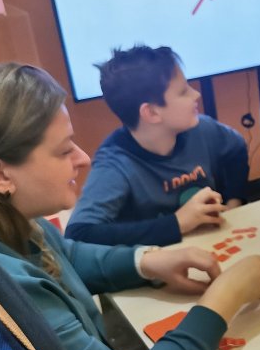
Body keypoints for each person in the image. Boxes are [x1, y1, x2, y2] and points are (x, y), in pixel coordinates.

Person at [0, 63, 260, 350]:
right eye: (63, 150)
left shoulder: (17, 217)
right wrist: (224, 298)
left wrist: (147, 261)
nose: (82, 158)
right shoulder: (7, 287)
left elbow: (70, 256)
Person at [65, 45, 249, 247]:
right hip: (158, 259)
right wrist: (177, 223)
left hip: (211, 243)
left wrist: (234, 201)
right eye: (183, 92)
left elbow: (236, 148)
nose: (195, 94)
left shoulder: (202, 129)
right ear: (152, 113)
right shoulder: (115, 163)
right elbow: (78, 233)